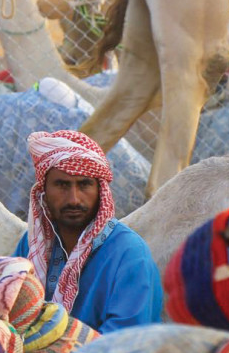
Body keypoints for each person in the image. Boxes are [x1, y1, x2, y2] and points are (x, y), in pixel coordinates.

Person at [13, 130, 162, 333]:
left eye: (84, 185)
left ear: (100, 191)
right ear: (44, 191)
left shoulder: (129, 254)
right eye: (62, 185)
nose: (74, 199)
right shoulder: (31, 244)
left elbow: (124, 341)